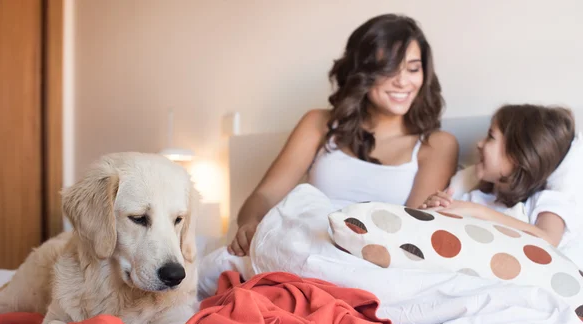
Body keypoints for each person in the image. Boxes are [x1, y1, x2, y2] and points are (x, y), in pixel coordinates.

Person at [228, 14, 459, 257]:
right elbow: (264, 195)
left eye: (413, 68)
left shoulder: (436, 145)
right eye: (389, 69)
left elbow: (410, 231)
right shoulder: (319, 124)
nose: (403, 82)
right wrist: (250, 224)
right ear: (362, 72)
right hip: (303, 246)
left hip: (373, 258)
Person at [420, 104, 577, 248]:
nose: (479, 144)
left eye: (490, 136)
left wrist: (477, 212)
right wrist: (429, 211)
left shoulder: (546, 200)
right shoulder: (472, 197)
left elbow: (548, 240)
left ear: (517, 155)